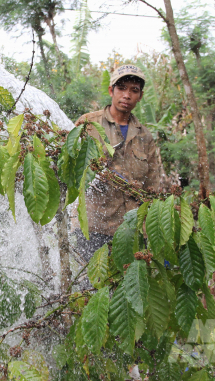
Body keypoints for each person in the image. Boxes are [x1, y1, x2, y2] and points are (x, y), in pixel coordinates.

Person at [72, 64, 165, 262]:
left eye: (134, 90)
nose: (127, 95)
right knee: (92, 287)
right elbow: (70, 167)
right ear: (111, 91)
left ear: (140, 96)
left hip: (131, 230)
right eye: (121, 88)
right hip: (94, 227)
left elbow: (152, 185)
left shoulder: (144, 136)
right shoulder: (89, 124)